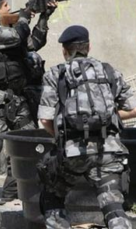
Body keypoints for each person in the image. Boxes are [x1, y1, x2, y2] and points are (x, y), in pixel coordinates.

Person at [37, 25, 136, 229]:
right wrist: (110, 118)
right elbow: (134, 108)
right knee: (113, 206)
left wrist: (63, 137)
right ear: (88, 47)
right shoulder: (109, 71)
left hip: (72, 154)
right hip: (108, 151)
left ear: (64, 50)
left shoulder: (56, 74)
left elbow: (45, 120)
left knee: (52, 197)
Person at [0, 0, 56, 205]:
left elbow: (33, 42)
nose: (10, 9)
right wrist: (27, 13)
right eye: (6, 6)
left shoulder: (6, 33)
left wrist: (45, 16)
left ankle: (14, 190)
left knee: (27, 142)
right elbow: (18, 35)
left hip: (18, 97)